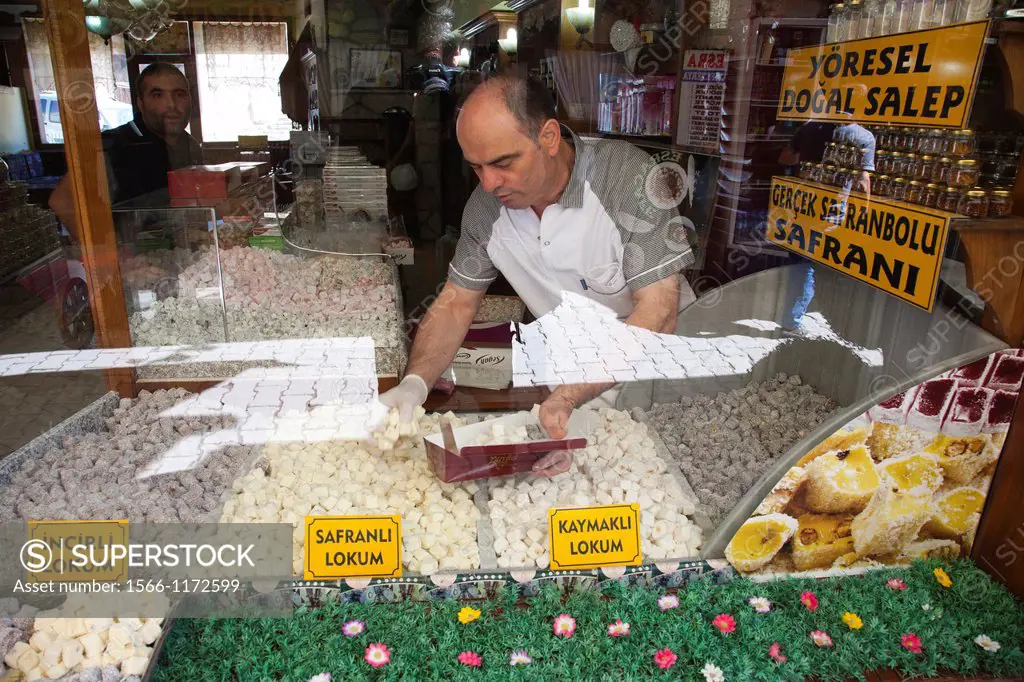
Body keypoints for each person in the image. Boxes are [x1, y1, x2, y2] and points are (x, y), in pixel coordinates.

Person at [380, 75, 696, 476]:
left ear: (548, 137)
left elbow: (659, 314)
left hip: (666, 378)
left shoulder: (628, 179)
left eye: (502, 163)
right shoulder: (486, 208)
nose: (489, 183)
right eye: (476, 167)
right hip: (574, 387)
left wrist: (569, 395)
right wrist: (415, 384)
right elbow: (457, 303)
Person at [49, 62, 203, 242]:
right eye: (157, 95)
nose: (171, 105)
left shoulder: (190, 145)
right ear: (140, 103)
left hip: (178, 253)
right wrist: (110, 253)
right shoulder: (114, 145)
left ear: (190, 100)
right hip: (132, 260)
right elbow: (62, 200)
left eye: (179, 94)